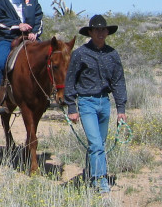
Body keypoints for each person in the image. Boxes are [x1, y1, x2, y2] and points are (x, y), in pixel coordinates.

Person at [64, 15, 128, 194]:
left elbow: (118, 82)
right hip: (86, 103)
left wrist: (121, 108)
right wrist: (72, 107)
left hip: (104, 103)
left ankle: (91, 175)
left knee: (99, 144)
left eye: (103, 30)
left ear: (107, 32)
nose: (100, 33)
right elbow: (70, 80)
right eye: (96, 30)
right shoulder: (80, 54)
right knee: (96, 145)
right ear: (90, 32)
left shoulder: (112, 54)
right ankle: (100, 180)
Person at [0, 0, 43, 114]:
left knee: (47, 58)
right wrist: (17, 26)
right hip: (8, 37)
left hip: (30, 36)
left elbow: (38, 15)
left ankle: (48, 93)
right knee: (0, 61)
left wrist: (34, 32)